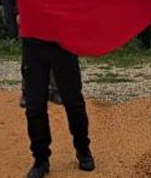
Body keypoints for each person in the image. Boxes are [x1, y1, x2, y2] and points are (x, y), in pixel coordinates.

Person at [20, 36, 95, 178]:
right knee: (34, 106)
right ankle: (41, 159)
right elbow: (13, 13)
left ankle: (83, 148)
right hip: (33, 43)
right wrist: (15, 16)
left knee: (73, 101)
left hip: (63, 41)